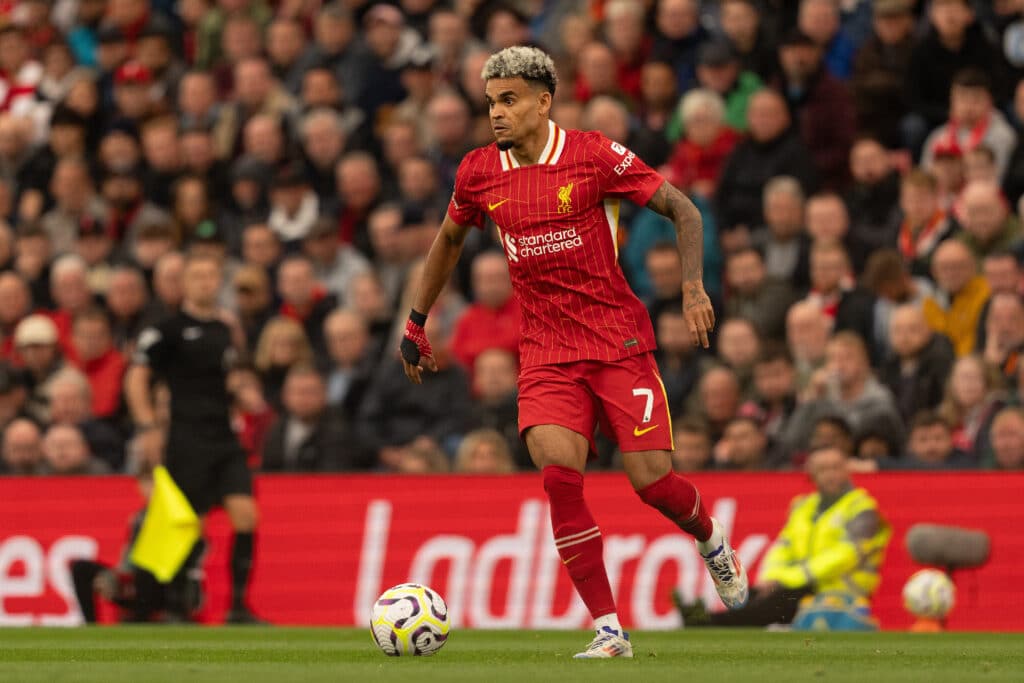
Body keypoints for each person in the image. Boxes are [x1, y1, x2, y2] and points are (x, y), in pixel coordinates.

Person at [398, 46, 747, 658]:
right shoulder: (479, 171)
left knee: (652, 482)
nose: (497, 113)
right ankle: (610, 629)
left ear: (543, 100)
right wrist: (416, 322)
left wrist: (693, 287)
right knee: (560, 477)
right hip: (546, 353)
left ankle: (710, 537)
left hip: (618, 343)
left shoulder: (593, 155)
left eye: (508, 100)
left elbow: (683, 209)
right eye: (490, 103)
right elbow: (449, 240)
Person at [125, 251, 261, 624]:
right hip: (187, 439)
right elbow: (136, 377)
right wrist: (148, 425)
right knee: (188, 523)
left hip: (224, 437)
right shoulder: (166, 330)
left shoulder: (226, 329)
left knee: (246, 516)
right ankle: (173, 604)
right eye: (197, 275)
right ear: (183, 283)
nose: (205, 282)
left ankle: (237, 606)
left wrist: (243, 391)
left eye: (211, 275)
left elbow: (233, 373)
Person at [677, 445, 891, 627]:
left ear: (847, 470)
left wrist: (790, 578)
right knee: (752, 594)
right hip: (803, 585)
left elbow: (845, 556)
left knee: (773, 602)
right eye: (823, 469)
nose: (831, 474)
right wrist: (771, 578)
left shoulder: (862, 508)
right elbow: (783, 547)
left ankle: (710, 622)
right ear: (812, 474)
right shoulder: (804, 506)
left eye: (836, 468)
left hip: (839, 591)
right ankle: (702, 615)